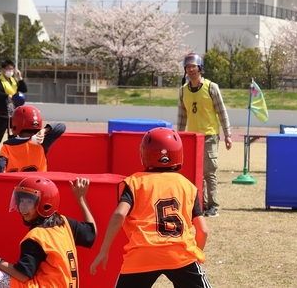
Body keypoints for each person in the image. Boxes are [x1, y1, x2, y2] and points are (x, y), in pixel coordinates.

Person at [90, 127, 211, 288]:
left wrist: (104, 250)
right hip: (178, 253)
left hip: (142, 253)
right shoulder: (187, 186)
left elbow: (119, 214)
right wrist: (195, 253)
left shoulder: (134, 182)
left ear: (145, 154)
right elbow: (203, 230)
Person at [0, 105, 66, 271]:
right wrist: (45, 130)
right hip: (41, 197)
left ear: (15, 125)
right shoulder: (42, 143)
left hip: (18, 197)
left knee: (1, 230)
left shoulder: (8, 145)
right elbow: (61, 127)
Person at [0, 176, 97, 287]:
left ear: (45, 204)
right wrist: (81, 199)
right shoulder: (65, 224)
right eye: (21, 200)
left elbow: (23, 275)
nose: (23, 207)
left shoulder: (35, 237)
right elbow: (91, 233)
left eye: (29, 201)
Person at [176, 52, 232, 217]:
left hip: (209, 135)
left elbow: (222, 112)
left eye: (194, 66)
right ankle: (200, 204)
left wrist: (228, 135)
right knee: (195, 172)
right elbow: (181, 116)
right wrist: (179, 136)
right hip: (192, 138)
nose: (191, 69)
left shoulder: (211, 87)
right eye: (188, 66)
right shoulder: (183, 91)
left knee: (209, 171)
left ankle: (212, 205)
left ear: (200, 68)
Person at [0, 105, 66, 173]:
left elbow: (0, 166)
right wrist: (44, 130)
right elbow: (62, 127)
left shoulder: (7, 146)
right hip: (38, 186)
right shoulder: (41, 142)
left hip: (16, 186)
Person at [0, 60, 27, 168]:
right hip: (2, 113)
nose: (10, 71)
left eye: (12, 69)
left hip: (14, 114)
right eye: (8, 69)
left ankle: (12, 160)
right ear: (3, 69)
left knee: (13, 137)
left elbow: (24, 89)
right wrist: (7, 96)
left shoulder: (14, 81)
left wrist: (20, 78)